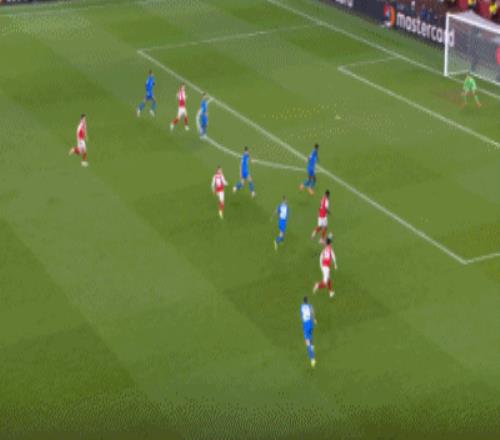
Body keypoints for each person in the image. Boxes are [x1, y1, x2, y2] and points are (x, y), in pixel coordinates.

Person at [300, 296, 317, 368]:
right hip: (310, 323)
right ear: (307, 301)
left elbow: (301, 316)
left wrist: (303, 323)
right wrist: (314, 319)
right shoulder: (310, 306)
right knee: (310, 334)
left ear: (303, 301)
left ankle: (312, 359)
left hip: (305, 325)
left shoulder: (301, 306)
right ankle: (312, 346)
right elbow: (312, 313)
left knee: (307, 343)